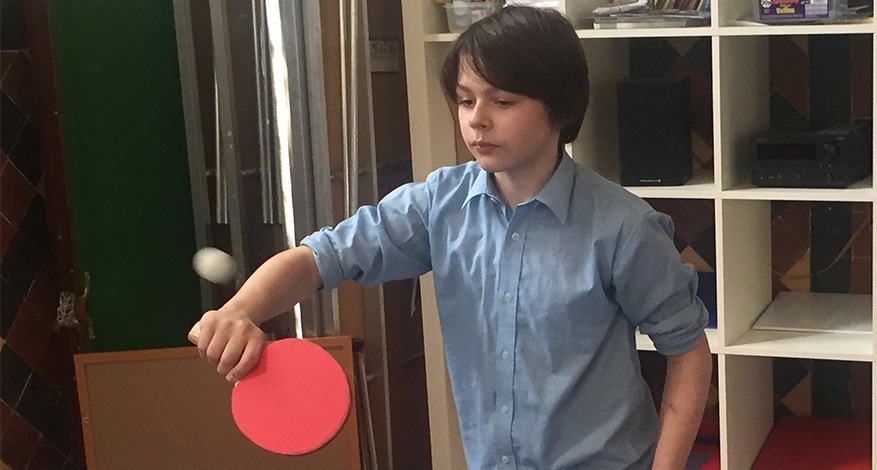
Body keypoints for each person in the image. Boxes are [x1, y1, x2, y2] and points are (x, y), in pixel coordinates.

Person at [194, 6, 712, 469]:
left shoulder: (624, 228)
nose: (477, 120)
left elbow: (687, 350)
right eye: (465, 100)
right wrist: (241, 311)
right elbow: (320, 257)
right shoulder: (437, 205)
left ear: (560, 108)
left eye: (503, 101)